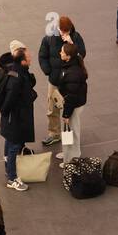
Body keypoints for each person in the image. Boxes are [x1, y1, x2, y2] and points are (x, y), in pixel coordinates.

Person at [38, 15, 86, 148]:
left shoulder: (76, 38)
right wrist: (48, 71)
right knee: (52, 109)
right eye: (62, 31)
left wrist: (71, 44)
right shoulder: (49, 38)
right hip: (55, 80)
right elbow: (42, 55)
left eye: (66, 31)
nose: (64, 34)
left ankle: (68, 143)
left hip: (69, 81)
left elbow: (82, 54)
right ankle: (54, 134)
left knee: (68, 111)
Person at [0, 41, 37, 192]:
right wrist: (6, 111)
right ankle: (12, 178)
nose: (31, 57)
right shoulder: (17, 77)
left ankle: (8, 165)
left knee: (9, 141)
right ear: (22, 61)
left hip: (12, 116)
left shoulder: (18, 70)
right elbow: (11, 98)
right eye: (28, 56)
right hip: (16, 116)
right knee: (14, 144)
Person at [56, 38, 88, 164]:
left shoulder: (73, 73)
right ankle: (68, 153)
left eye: (62, 52)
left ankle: (71, 160)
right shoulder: (70, 66)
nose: (60, 53)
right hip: (71, 104)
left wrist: (66, 114)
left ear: (68, 56)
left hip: (71, 105)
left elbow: (72, 96)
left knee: (71, 132)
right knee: (68, 131)